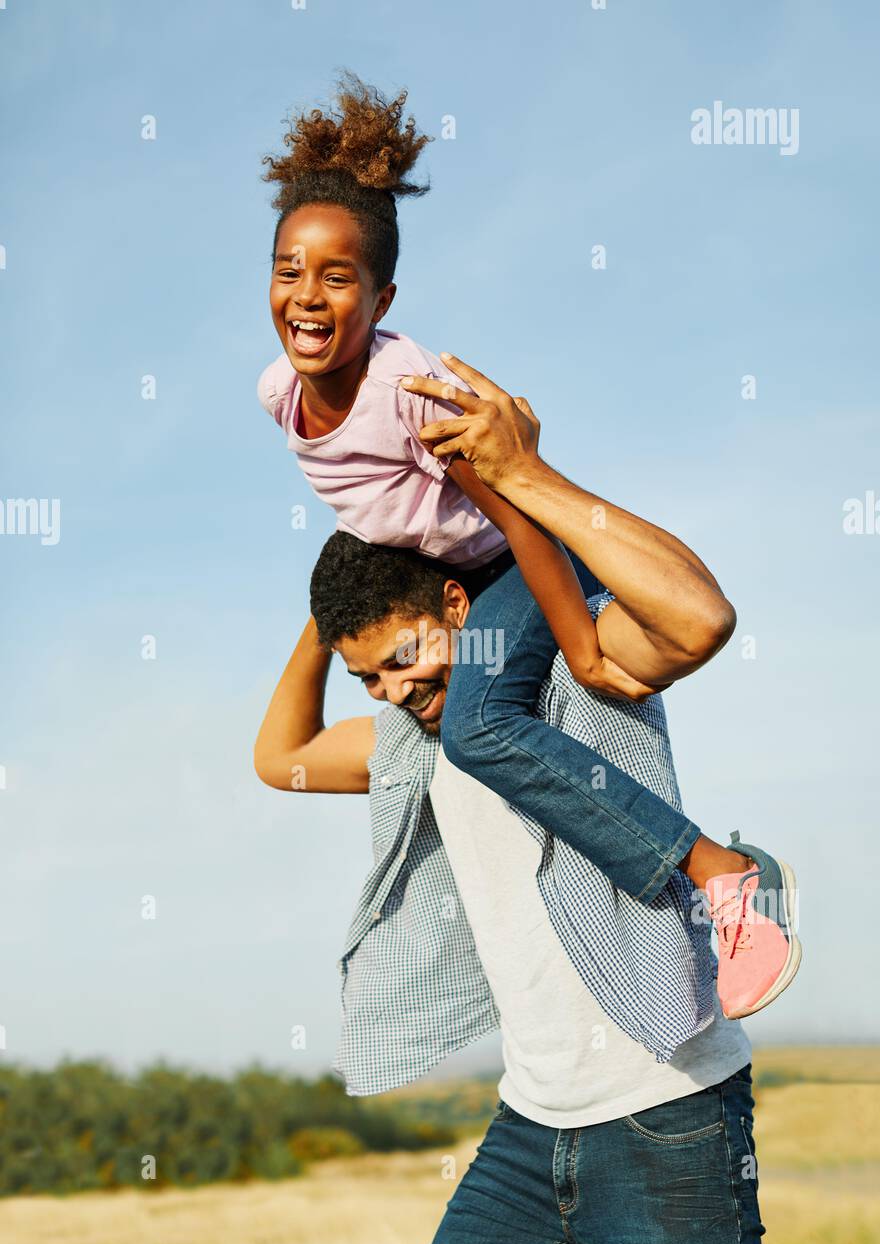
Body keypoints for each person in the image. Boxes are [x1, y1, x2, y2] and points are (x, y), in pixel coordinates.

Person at [256, 73, 799, 1019]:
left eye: (336, 278)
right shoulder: (279, 393)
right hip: (464, 573)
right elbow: (360, 504)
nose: (306, 296)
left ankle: (724, 876)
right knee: (462, 719)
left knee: (477, 725)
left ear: (381, 297)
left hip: (522, 556)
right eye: (286, 269)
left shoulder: (409, 397)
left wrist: (580, 645)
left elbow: (513, 511)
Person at [252, 531, 768, 1244]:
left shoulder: (580, 668)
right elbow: (279, 756)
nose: (393, 690)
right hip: (528, 1131)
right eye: (368, 678)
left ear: (457, 607)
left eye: (401, 658)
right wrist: (328, 613)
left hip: (669, 1118)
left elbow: (692, 620)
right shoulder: (410, 746)